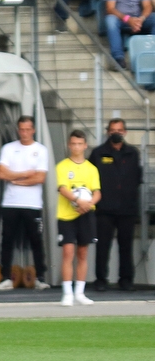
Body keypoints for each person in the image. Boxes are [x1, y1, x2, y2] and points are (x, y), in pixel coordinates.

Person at [0, 115, 51, 291]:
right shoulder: (8, 148)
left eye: (28, 129)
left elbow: (40, 177)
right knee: (7, 241)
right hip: (11, 203)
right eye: (22, 129)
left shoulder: (41, 150)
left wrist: (16, 177)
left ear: (33, 130)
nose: (25, 133)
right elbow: (2, 174)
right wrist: (26, 174)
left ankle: (40, 277)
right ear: (18, 130)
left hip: (32, 204)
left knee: (36, 240)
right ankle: (5, 278)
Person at [89, 118, 143, 291]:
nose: (116, 133)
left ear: (125, 132)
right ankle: (101, 280)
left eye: (119, 130)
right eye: (113, 130)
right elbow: (90, 179)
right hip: (104, 209)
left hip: (127, 208)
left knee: (126, 247)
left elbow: (137, 179)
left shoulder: (133, 153)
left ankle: (126, 280)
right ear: (107, 132)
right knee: (103, 246)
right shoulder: (98, 153)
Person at [56, 129, 101, 306]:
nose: (76, 147)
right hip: (67, 215)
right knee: (68, 252)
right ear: (69, 145)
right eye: (73, 144)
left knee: (83, 253)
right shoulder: (62, 166)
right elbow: (63, 188)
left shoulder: (91, 168)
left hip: (86, 214)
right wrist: (77, 200)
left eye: (79, 144)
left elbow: (97, 192)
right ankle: (67, 292)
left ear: (85, 145)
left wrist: (88, 204)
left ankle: (79, 293)